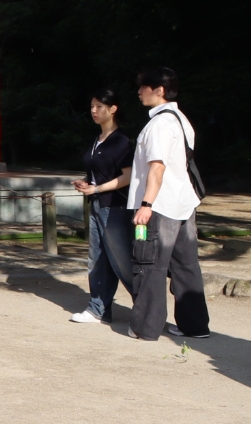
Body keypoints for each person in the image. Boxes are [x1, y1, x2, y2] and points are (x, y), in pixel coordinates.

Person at [128, 67, 211, 341]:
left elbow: (157, 168)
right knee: (186, 266)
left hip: (159, 205)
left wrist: (145, 204)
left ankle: (146, 327)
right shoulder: (181, 119)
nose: (139, 91)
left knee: (149, 264)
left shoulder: (160, 124)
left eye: (144, 87)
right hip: (183, 203)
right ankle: (194, 326)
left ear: (159, 90)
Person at [69, 87, 134, 324]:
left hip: (116, 206)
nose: (94, 111)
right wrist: (88, 183)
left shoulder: (122, 140)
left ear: (113, 109)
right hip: (97, 203)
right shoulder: (97, 140)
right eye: (92, 107)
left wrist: (96, 188)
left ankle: (146, 306)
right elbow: (99, 172)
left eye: (99, 107)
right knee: (97, 257)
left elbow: (128, 176)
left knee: (122, 259)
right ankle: (99, 307)